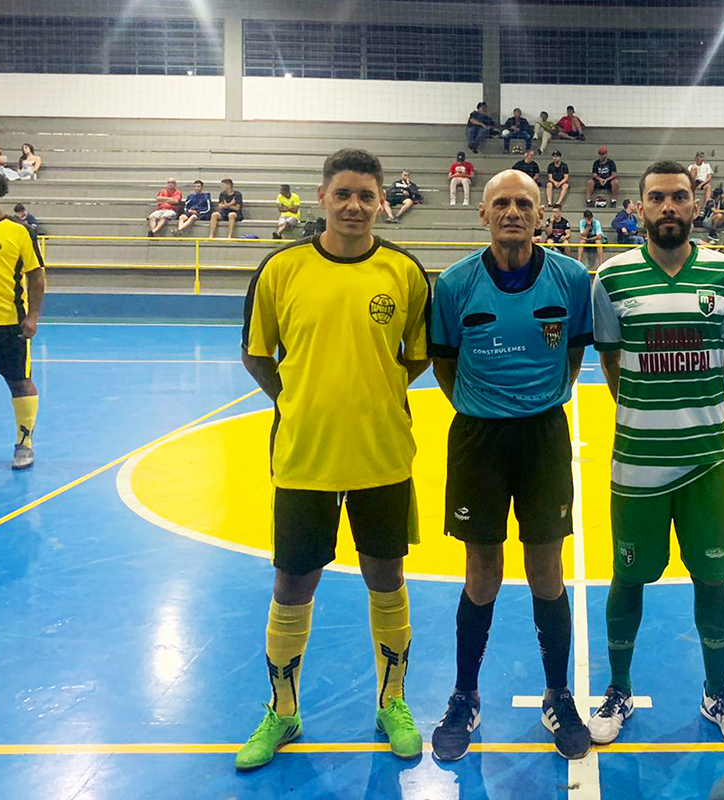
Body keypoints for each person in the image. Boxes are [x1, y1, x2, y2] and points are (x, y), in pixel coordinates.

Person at [235, 148, 431, 770]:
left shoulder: (403, 271)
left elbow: (420, 354)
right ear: (321, 196)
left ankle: (391, 701)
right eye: (343, 193)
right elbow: (257, 354)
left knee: (387, 578)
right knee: (293, 583)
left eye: (366, 196)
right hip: (303, 458)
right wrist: (300, 401)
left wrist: (374, 392)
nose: (354, 205)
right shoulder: (281, 268)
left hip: (382, 455)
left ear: (382, 203)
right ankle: (283, 710)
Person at [588, 160, 724, 748]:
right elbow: (610, 361)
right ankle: (618, 688)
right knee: (626, 579)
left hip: (708, 458)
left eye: (678, 197)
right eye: (655, 197)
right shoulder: (610, 280)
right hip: (637, 461)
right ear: (638, 207)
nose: (667, 207)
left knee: (712, 576)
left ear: (696, 204)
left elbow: (723, 360)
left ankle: (717, 691)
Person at [428, 169, 593, 762]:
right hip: (478, 438)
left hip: (544, 435)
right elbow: (444, 364)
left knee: (547, 570)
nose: (514, 212)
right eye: (502, 203)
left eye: (525, 202)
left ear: (541, 212)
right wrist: (484, 408)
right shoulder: (454, 285)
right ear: (483, 213)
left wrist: (535, 402)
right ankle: (465, 694)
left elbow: (573, 353)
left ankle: (558, 694)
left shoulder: (571, 279)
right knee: (482, 572)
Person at [0, 172, 45, 470]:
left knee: (19, 383)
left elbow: (36, 274)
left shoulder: (19, 231)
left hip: (9, 324)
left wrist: (33, 315)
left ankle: (24, 442)